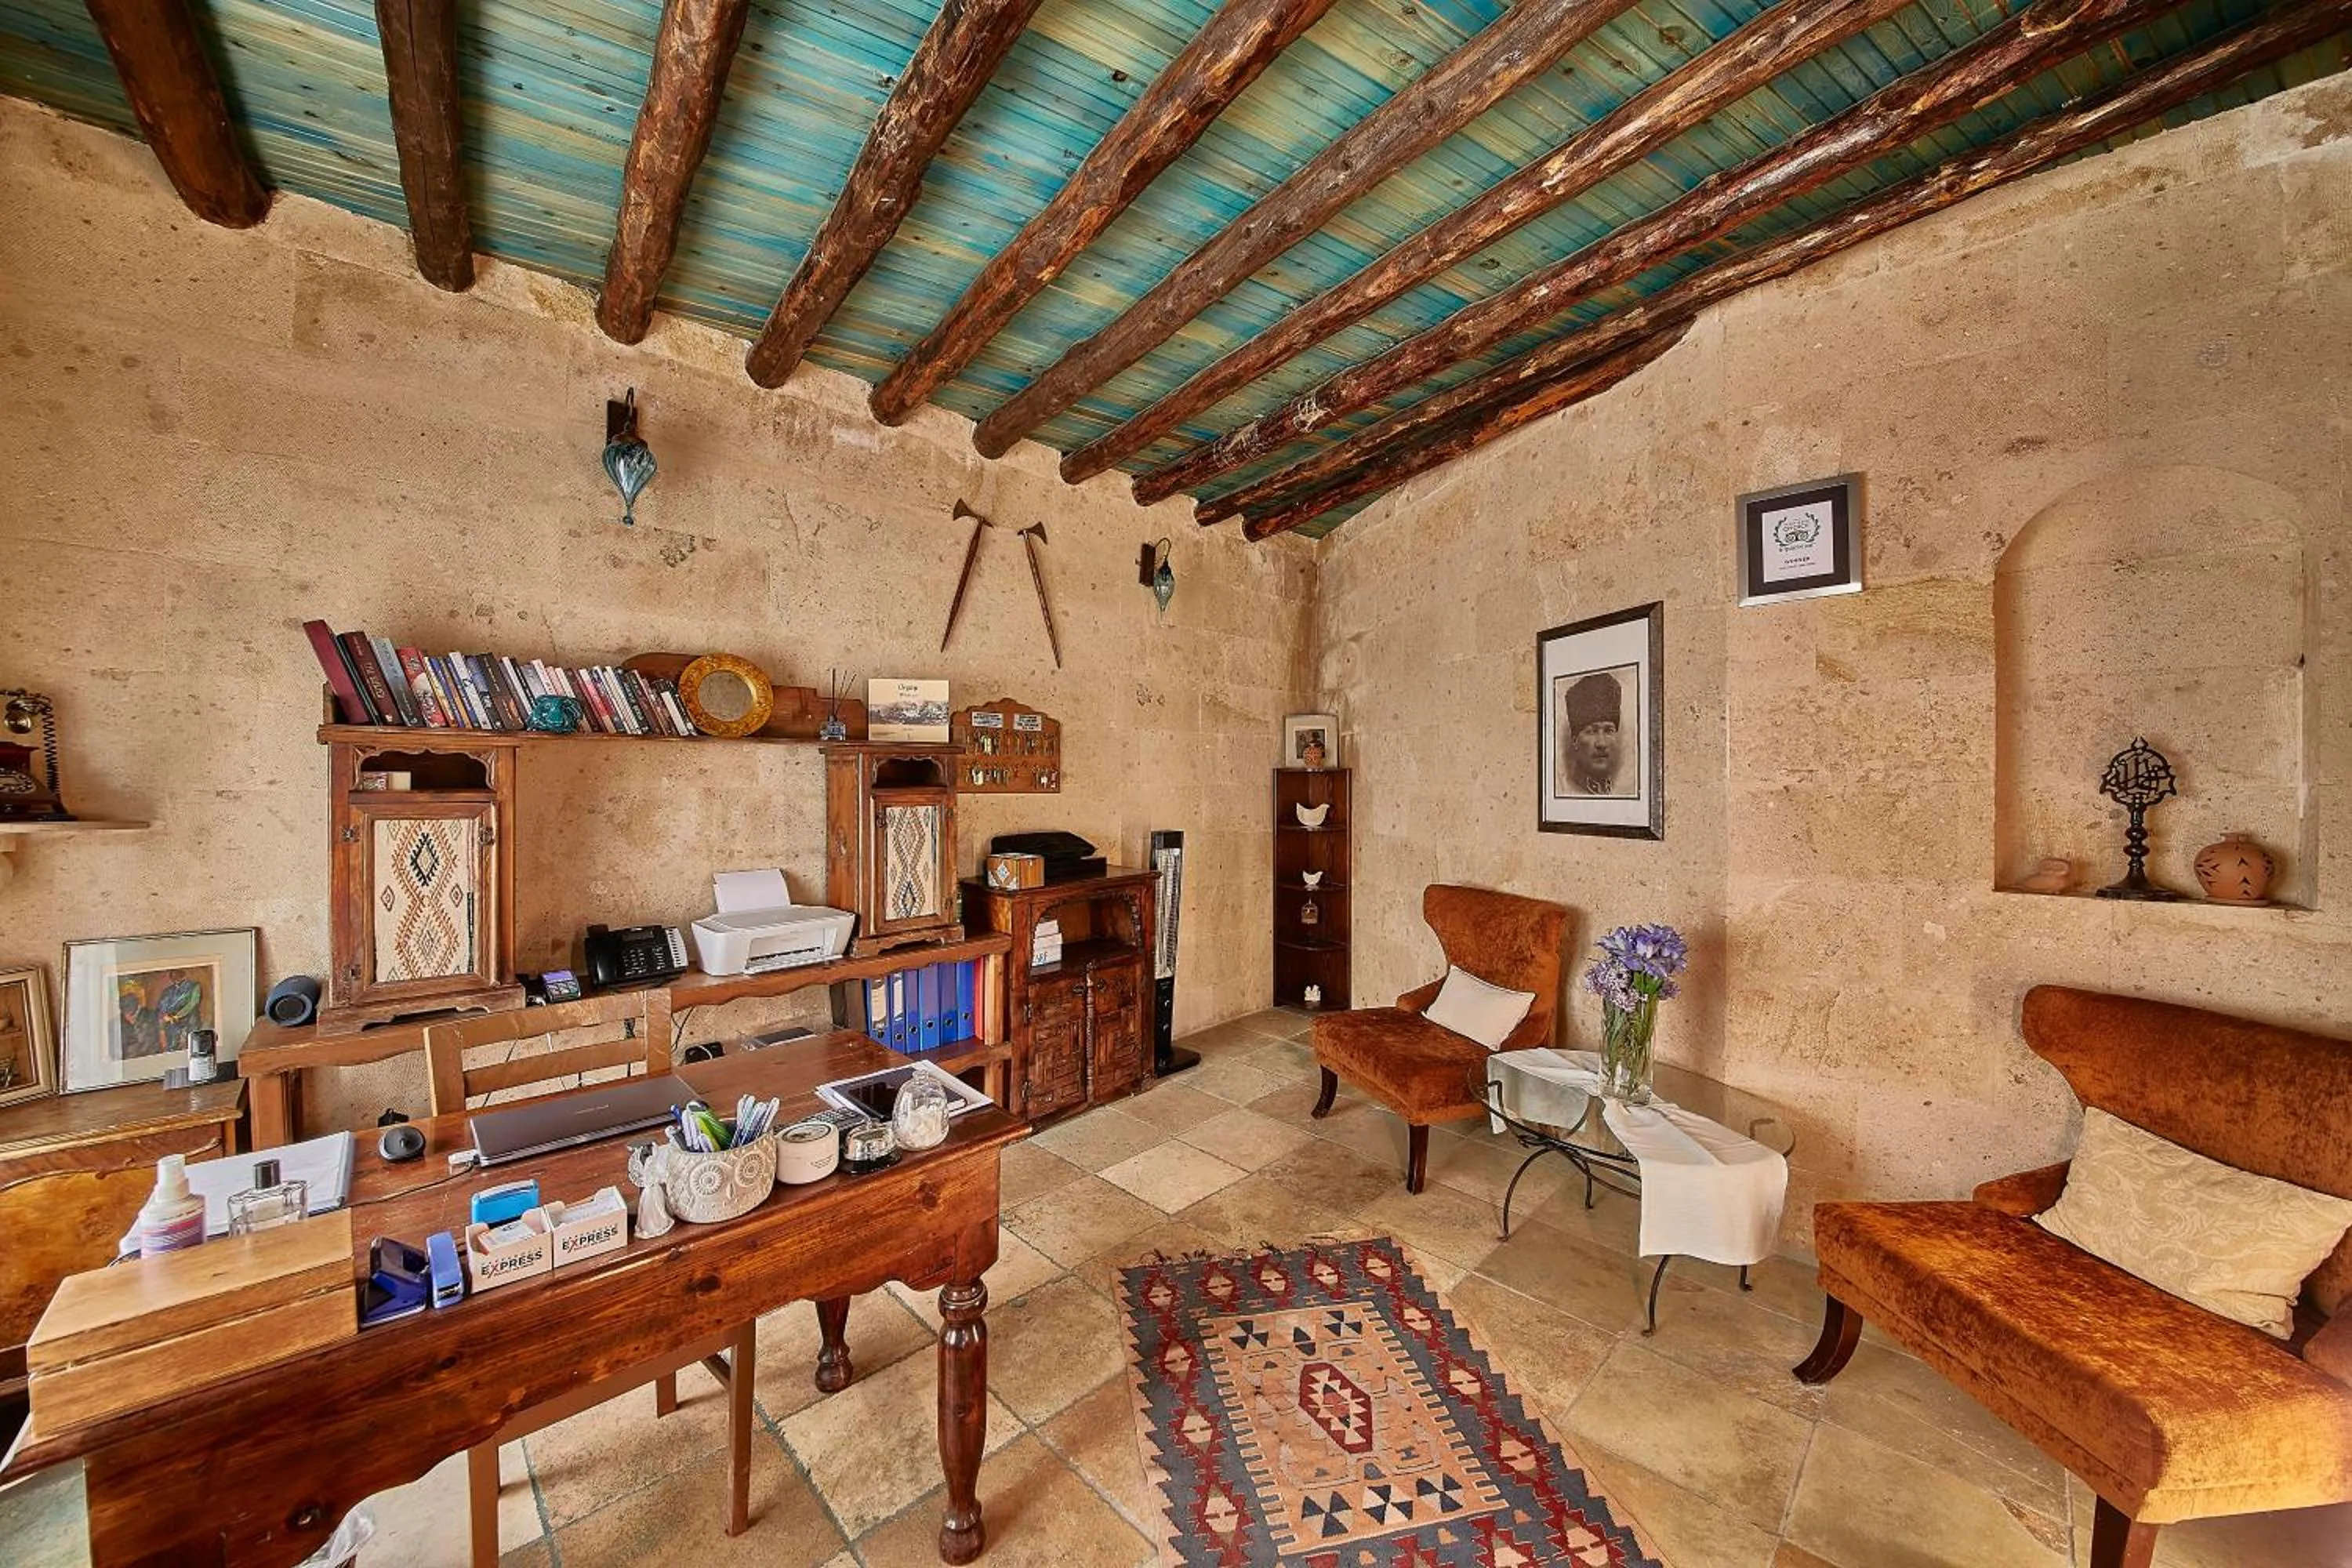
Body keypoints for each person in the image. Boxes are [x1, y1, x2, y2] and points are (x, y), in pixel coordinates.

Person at [1559, 671, 1627, 797]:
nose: (1601, 743)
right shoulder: (1566, 790)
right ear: (1575, 740)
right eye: (1591, 731)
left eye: (1609, 731)